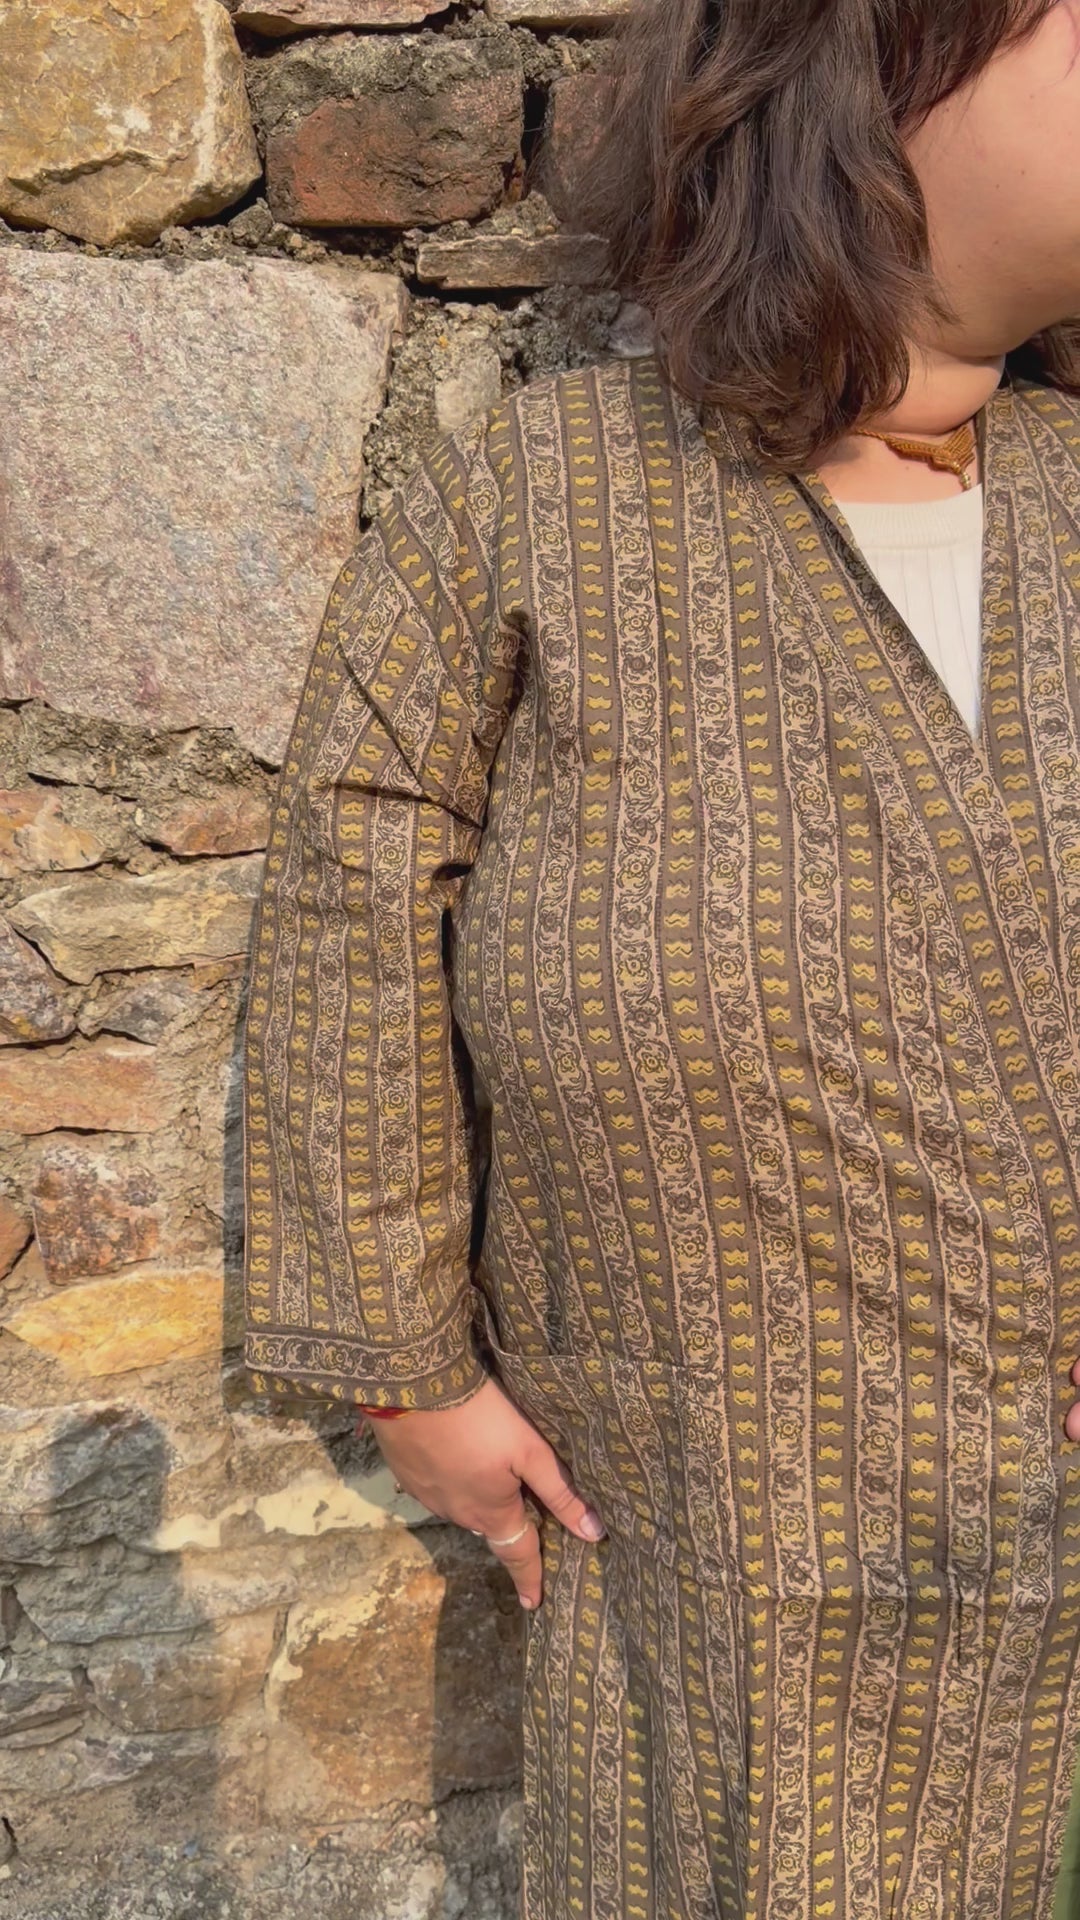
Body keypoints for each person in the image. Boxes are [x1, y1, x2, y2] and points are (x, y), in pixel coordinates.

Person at [240, 0, 1080, 1912]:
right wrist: (407, 1368)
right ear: (874, 76)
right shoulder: (541, 493)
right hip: (707, 1495)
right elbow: (355, 879)